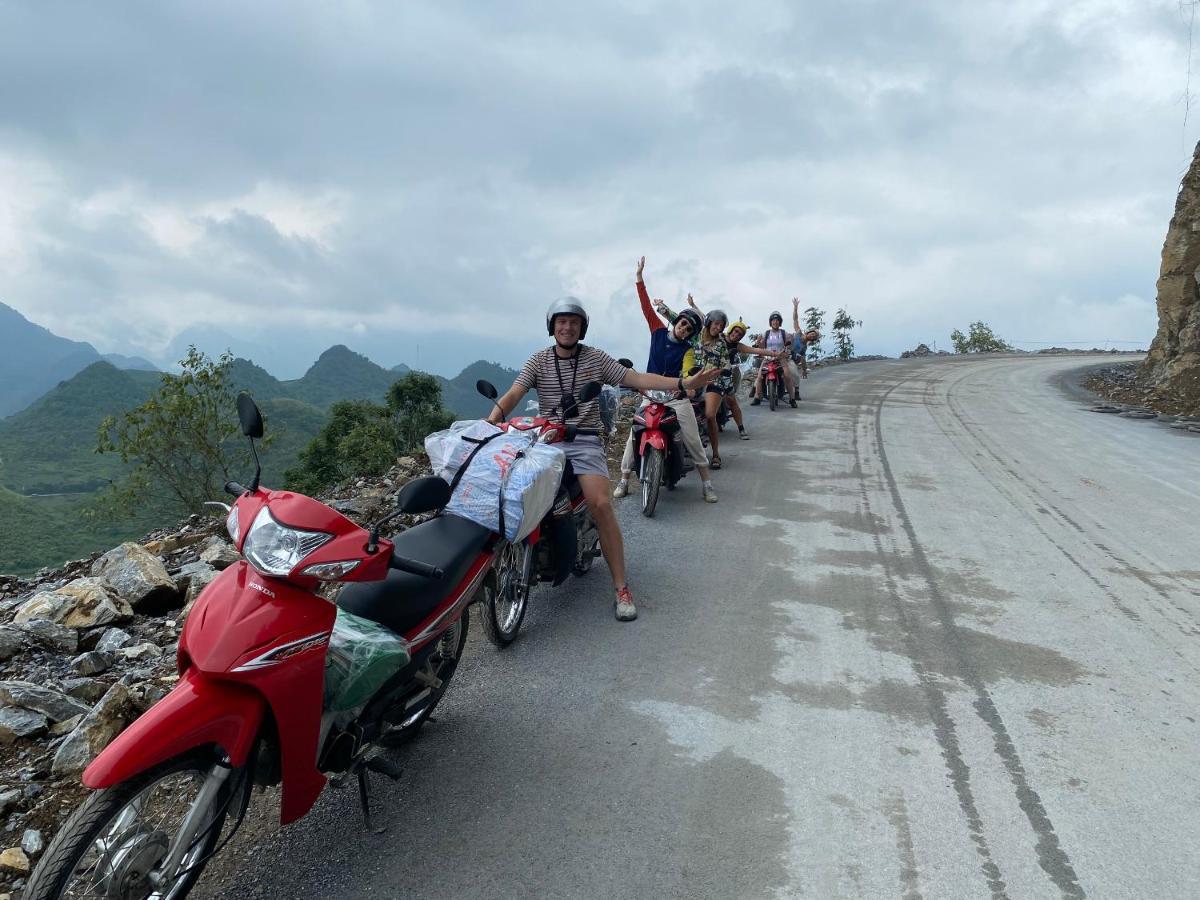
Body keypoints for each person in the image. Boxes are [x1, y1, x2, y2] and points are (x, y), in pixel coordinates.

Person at [486, 296, 720, 622]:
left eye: (573, 322)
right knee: (510, 492)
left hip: (583, 440)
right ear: (552, 326)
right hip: (543, 440)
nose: (567, 327)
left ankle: (621, 587)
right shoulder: (538, 360)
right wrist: (489, 422)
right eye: (561, 322)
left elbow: (635, 378)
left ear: (582, 328)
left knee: (600, 503)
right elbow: (514, 394)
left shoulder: (595, 359)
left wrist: (683, 382)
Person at [613, 257, 717, 504]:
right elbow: (646, 308)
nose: (684, 330)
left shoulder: (689, 350)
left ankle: (707, 484)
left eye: (689, 329)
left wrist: (689, 383)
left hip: (676, 398)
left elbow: (689, 369)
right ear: (676, 322)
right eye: (682, 324)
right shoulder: (658, 331)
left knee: (692, 437)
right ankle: (624, 479)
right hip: (650, 395)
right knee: (633, 434)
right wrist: (639, 279)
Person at [750, 311, 797, 408]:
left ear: (780, 322)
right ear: (770, 322)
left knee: (787, 376)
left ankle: (792, 399)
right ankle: (757, 397)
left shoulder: (784, 333)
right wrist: (759, 342)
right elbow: (762, 346)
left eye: (777, 320)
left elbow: (790, 344)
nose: (775, 322)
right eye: (773, 320)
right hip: (767, 358)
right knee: (759, 377)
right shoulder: (766, 333)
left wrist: (790, 343)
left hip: (780, 358)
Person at [790, 297, 819, 400]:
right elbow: (795, 319)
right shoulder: (798, 333)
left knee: (795, 375)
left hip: (792, 360)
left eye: (814, 337)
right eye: (812, 334)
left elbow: (803, 359)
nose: (812, 336)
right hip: (783, 354)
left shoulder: (804, 347)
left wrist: (804, 370)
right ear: (808, 332)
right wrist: (795, 307)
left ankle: (796, 391)